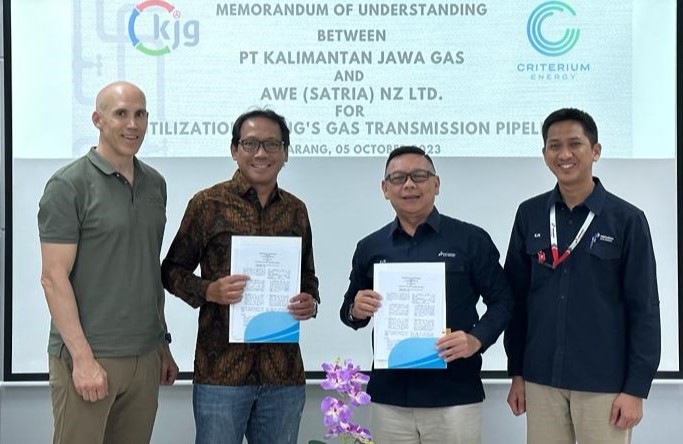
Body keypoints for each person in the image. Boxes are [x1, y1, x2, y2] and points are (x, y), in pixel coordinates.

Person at [161, 109, 319, 444]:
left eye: (272, 144)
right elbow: (171, 271)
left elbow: (308, 276)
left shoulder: (296, 210)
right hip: (221, 374)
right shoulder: (207, 204)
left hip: (283, 375)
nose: (261, 153)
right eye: (250, 144)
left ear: (285, 153)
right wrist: (209, 290)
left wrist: (310, 301)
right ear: (234, 150)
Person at [504, 108, 661, 444]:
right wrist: (516, 371)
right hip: (541, 379)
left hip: (604, 384)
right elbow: (516, 301)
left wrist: (636, 388)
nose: (564, 154)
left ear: (595, 151)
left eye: (574, 144)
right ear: (544, 153)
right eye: (554, 145)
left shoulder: (627, 220)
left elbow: (644, 308)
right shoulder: (529, 214)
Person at [339, 145, 514, 444]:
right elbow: (349, 310)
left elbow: (504, 300)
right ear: (385, 189)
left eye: (419, 176)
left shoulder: (470, 240)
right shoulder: (370, 247)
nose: (409, 185)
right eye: (398, 178)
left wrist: (476, 339)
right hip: (390, 397)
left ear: (436, 184)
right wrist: (356, 309)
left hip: (454, 394)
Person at [38, 80, 179, 444]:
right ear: (97, 120)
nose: (133, 124)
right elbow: (53, 278)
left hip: (145, 355)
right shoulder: (68, 186)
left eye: (140, 114)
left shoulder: (155, 184)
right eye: (121, 114)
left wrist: (161, 345)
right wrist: (82, 359)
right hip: (90, 357)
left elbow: (146, 269)